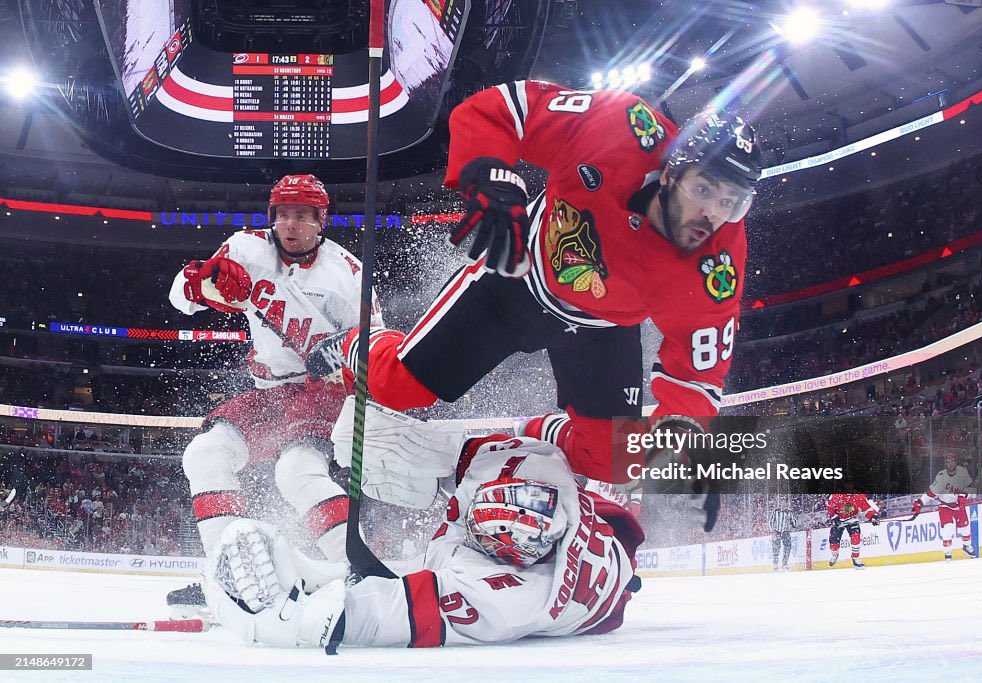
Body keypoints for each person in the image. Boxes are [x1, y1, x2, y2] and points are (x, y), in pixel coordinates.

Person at [306, 80, 762, 489]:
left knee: (617, 461)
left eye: (732, 202)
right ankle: (355, 345)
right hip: (516, 280)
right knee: (396, 388)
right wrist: (491, 176)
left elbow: (697, 373)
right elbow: (500, 109)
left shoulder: (718, 267)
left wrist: (681, 429)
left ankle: (533, 436)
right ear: (670, 172)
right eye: (703, 191)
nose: (714, 216)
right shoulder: (619, 125)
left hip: (602, 329)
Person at [202, 401, 644, 649]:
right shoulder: (528, 467)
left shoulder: (510, 599)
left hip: (577, 590)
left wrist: (288, 621)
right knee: (360, 432)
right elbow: (540, 433)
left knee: (402, 577)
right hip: (597, 543)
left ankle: (330, 572)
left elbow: (373, 618)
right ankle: (331, 570)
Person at [165, 174, 381, 615]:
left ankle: (361, 573)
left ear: (321, 220)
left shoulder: (347, 274)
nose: (291, 224)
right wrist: (203, 283)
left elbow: (380, 345)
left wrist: (342, 349)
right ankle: (228, 575)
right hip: (269, 391)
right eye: (283, 214)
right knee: (205, 455)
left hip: (325, 393)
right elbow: (182, 298)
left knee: (295, 471)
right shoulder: (244, 249)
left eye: (303, 215)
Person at [910, 453, 977, 561]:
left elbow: (972, 488)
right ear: (946, 463)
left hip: (958, 504)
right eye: (948, 462)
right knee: (948, 527)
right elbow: (930, 493)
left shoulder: (963, 472)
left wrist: (964, 495)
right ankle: (947, 552)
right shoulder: (941, 476)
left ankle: (966, 546)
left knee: (964, 527)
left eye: (952, 461)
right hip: (945, 505)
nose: (951, 464)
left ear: (956, 462)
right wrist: (920, 502)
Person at [825, 493, 880, 569]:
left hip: (852, 519)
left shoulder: (859, 496)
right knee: (834, 544)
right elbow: (829, 506)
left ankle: (855, 558)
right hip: (838, 521)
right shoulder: (836, 496)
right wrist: (834, 517)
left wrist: (873, 517)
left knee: (856, 538)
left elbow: (867, 509)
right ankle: (835, 555)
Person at [768, 501, 795, 572]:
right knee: (776, 548)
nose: (783, 505)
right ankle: (775, 564)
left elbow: (794, 523)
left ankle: (784, 563)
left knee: (788, 547)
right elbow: (770, 521)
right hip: (776, 531)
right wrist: (772, 531)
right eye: (782, 504)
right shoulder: (776, 511)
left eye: (785, 504)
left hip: (785, 532)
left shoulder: (789, 512)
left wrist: (791, 519)